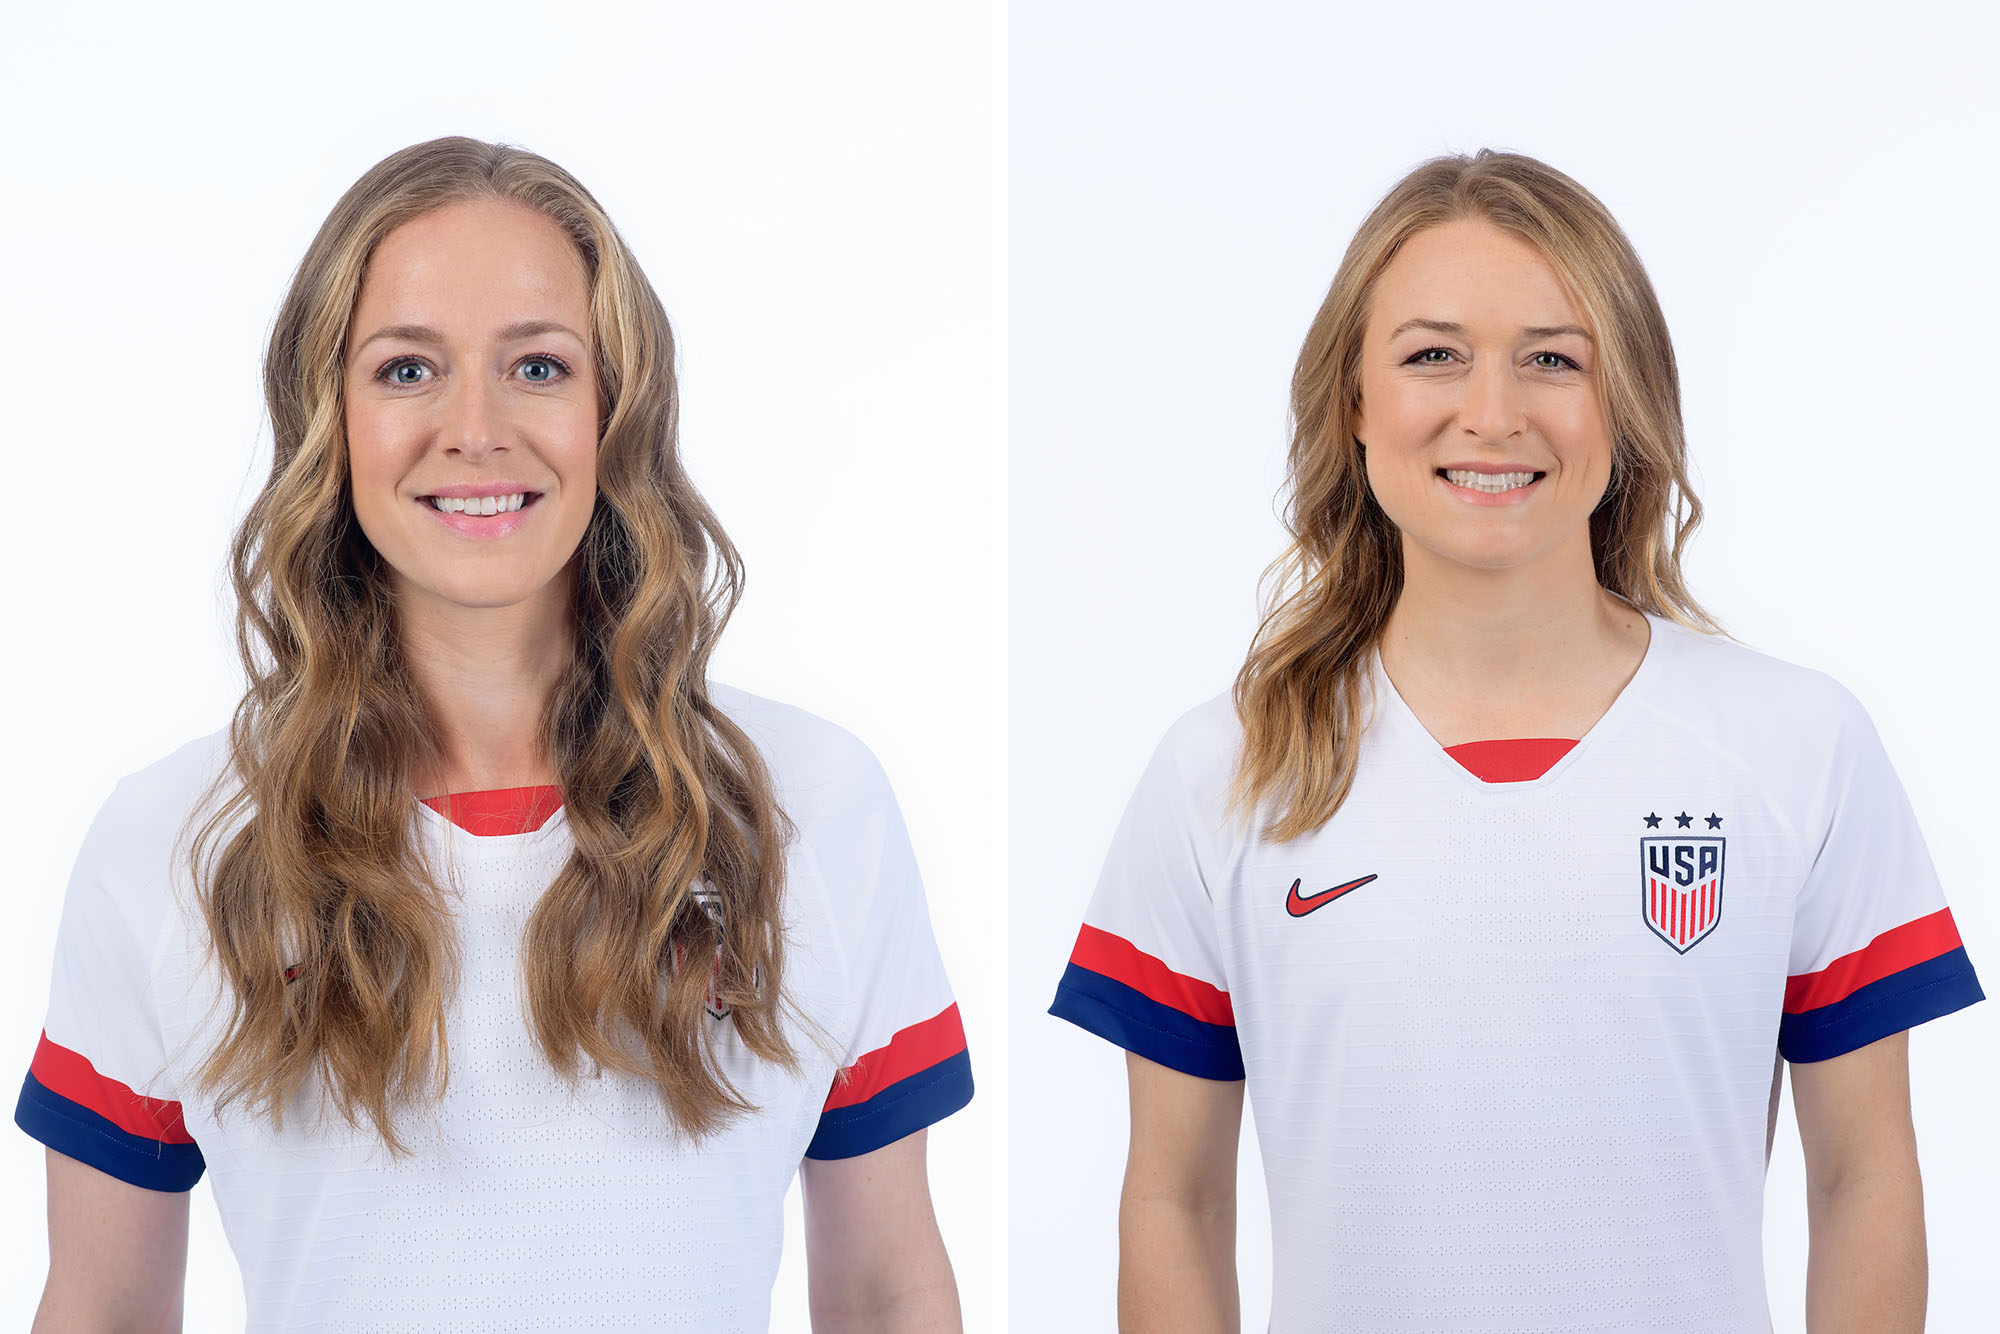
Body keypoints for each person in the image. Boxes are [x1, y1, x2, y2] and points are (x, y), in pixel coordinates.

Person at [16, 136, 972, 1333]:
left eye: (536, 364)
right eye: (408, 370)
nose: (475, 428)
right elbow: (100, 1310)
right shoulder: (172, 841)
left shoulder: (809, 809)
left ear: (615, 409)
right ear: (329, 416)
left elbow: (887, 1293)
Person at [1049, 149, 1982, 1331]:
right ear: (1352, 402)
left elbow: (1860, 1180)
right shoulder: (1222, 770)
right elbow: (1174, 1199)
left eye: (1551, 359)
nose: (1491, 412)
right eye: (1432, 353)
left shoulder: (1795, 745)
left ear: (1623, 399)